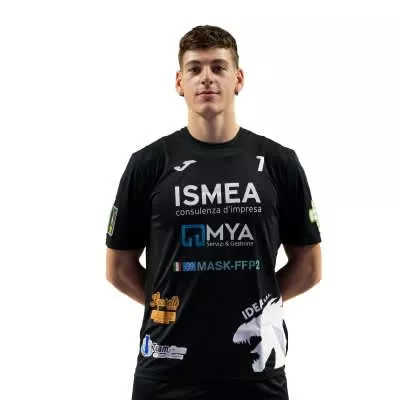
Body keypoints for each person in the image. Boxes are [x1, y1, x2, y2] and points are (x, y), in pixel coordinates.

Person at [105, 25, 322, 400]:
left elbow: (309, 268)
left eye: (218, 67)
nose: (207, 77)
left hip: (255, 372)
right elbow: (118, 269)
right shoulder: (148, 164)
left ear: (238, 79)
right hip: (167, 369)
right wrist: (177, 308)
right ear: (179, 82)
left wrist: (258, 306)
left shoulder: (279, 163)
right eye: (195, 68)